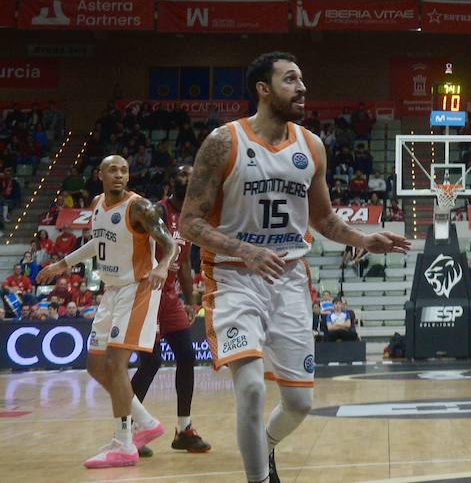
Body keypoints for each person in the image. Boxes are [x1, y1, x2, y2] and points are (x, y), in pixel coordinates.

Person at [181, 52, 410, 483]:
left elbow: (322, 220)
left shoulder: (311, 146)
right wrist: (244, 250)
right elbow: (188, 222)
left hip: (288, 280)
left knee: (300, 405)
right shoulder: (223, 142)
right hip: (233, 278)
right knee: (250, 389)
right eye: (290, 80)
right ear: (263, 90)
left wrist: (363, 238)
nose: (302, 87)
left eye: (302, 79)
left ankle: (265, 446)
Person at [36, 154, 177, 469]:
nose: (119, 175)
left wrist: (163, 267)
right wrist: (62, 263)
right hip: (111, 291)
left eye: (124, 170)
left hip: (137, 289)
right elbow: (97, 242)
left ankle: (124, 445)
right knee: (96, 366)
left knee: (115, 364)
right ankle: (146, 423)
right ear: (99, 174)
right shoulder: (98, 203)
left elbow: (169, 243)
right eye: (112, 170)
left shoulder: (139, 207)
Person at [130, 165, 213, 455]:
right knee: (150, 363)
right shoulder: (156, 212)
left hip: (170, 297)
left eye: (192, 177)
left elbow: (187, 263)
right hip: (146, 293)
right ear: (171, 182)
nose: (188, 181)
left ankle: (184, 429)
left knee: (188, 356)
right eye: (182, 176)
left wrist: (190, 300)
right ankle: (127, 431)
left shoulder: (190, 219)